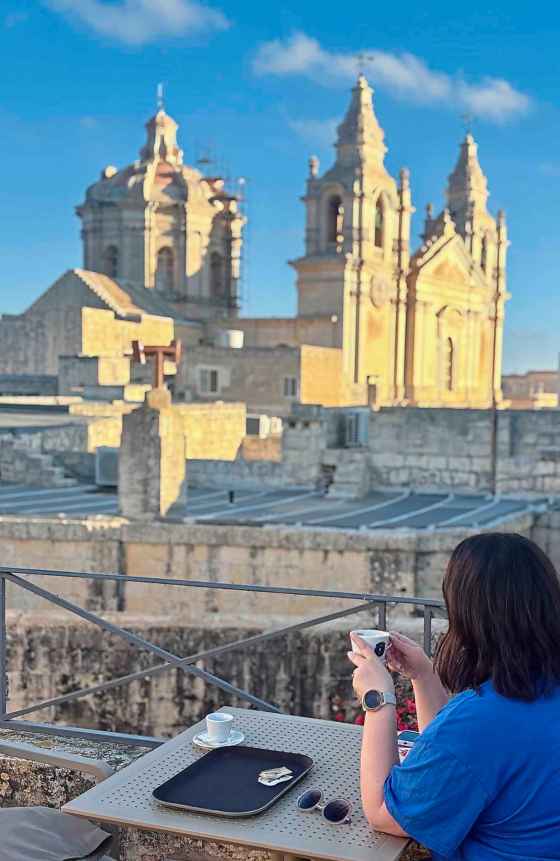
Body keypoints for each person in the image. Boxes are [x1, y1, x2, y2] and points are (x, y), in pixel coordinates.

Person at [348, 532, 560, 860]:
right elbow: (459, 760)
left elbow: (384, 814)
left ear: (470, 615)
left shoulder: (481, 719)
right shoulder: (532, 691)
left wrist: (378, 699)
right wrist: (423, 675)